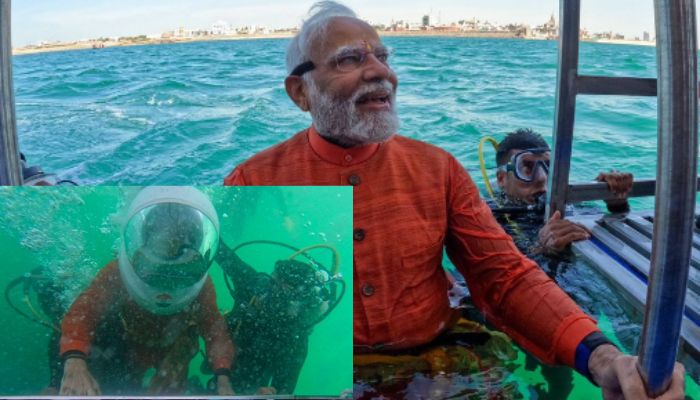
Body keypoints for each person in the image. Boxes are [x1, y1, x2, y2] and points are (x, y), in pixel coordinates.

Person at [223, 2, 685, 399]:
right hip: (319, 374)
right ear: (300, 92)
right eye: (350, 59)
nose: (382, 71)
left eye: (383, 56)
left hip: (438, 361)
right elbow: (213, 270)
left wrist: (600, 357)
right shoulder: (252, 180)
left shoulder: (437, 168)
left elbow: (503, 275)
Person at [58, 187, 235, 396]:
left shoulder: (202, 287)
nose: (168, 275)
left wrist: (223, 377)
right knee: (124, 386)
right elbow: (85, 312)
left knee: (168, 391)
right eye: (166, 241)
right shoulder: (117, 273)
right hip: (129, 347)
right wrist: (75, 361)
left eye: (178, 267)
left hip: (174, 350)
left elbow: (214, 331)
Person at [214, 241, 339, 395]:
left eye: (278, 293)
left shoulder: (294, 339)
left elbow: (283, 391)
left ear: (296, 304)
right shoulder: (254, 285)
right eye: (272, 283)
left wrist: (265, 394)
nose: (268, 294)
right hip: (219, 354)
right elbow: (219, 250)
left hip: (247, 385)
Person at [493, 128, 634, 254]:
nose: (542, 178)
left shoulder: (569, 204)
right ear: (501, 179)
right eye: (527, 168)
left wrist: (616, 201)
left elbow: (616, 234)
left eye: (548, 166)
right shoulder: (492, 220)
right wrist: (541, 249)